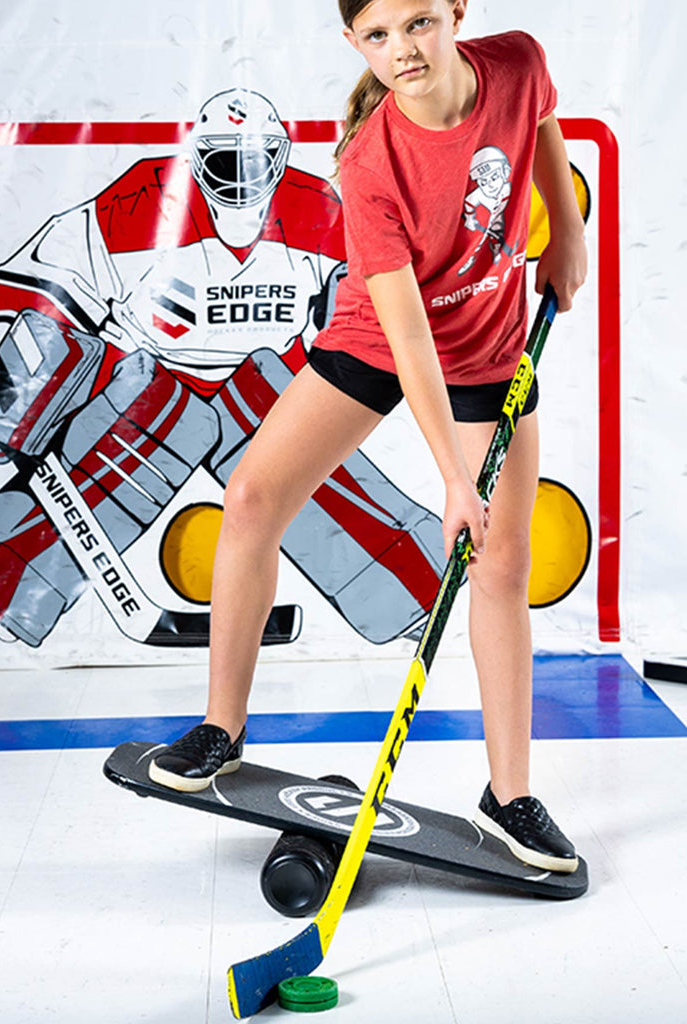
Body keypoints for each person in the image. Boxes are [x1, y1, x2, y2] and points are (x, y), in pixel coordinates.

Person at [148, 0, 588, 875]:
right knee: (253, 497)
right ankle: (220, 730)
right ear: (354, 43)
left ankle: (510, 796)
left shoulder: (518, 61)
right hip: (384, 338)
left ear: (457, 10)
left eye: (421, 23)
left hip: (492, 345)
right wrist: (452, 482)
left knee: (500, 561)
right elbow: (410, 335)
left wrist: (564, 227)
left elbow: (541, 119)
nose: (404, 51)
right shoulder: (371, 161)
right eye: (378, 37)